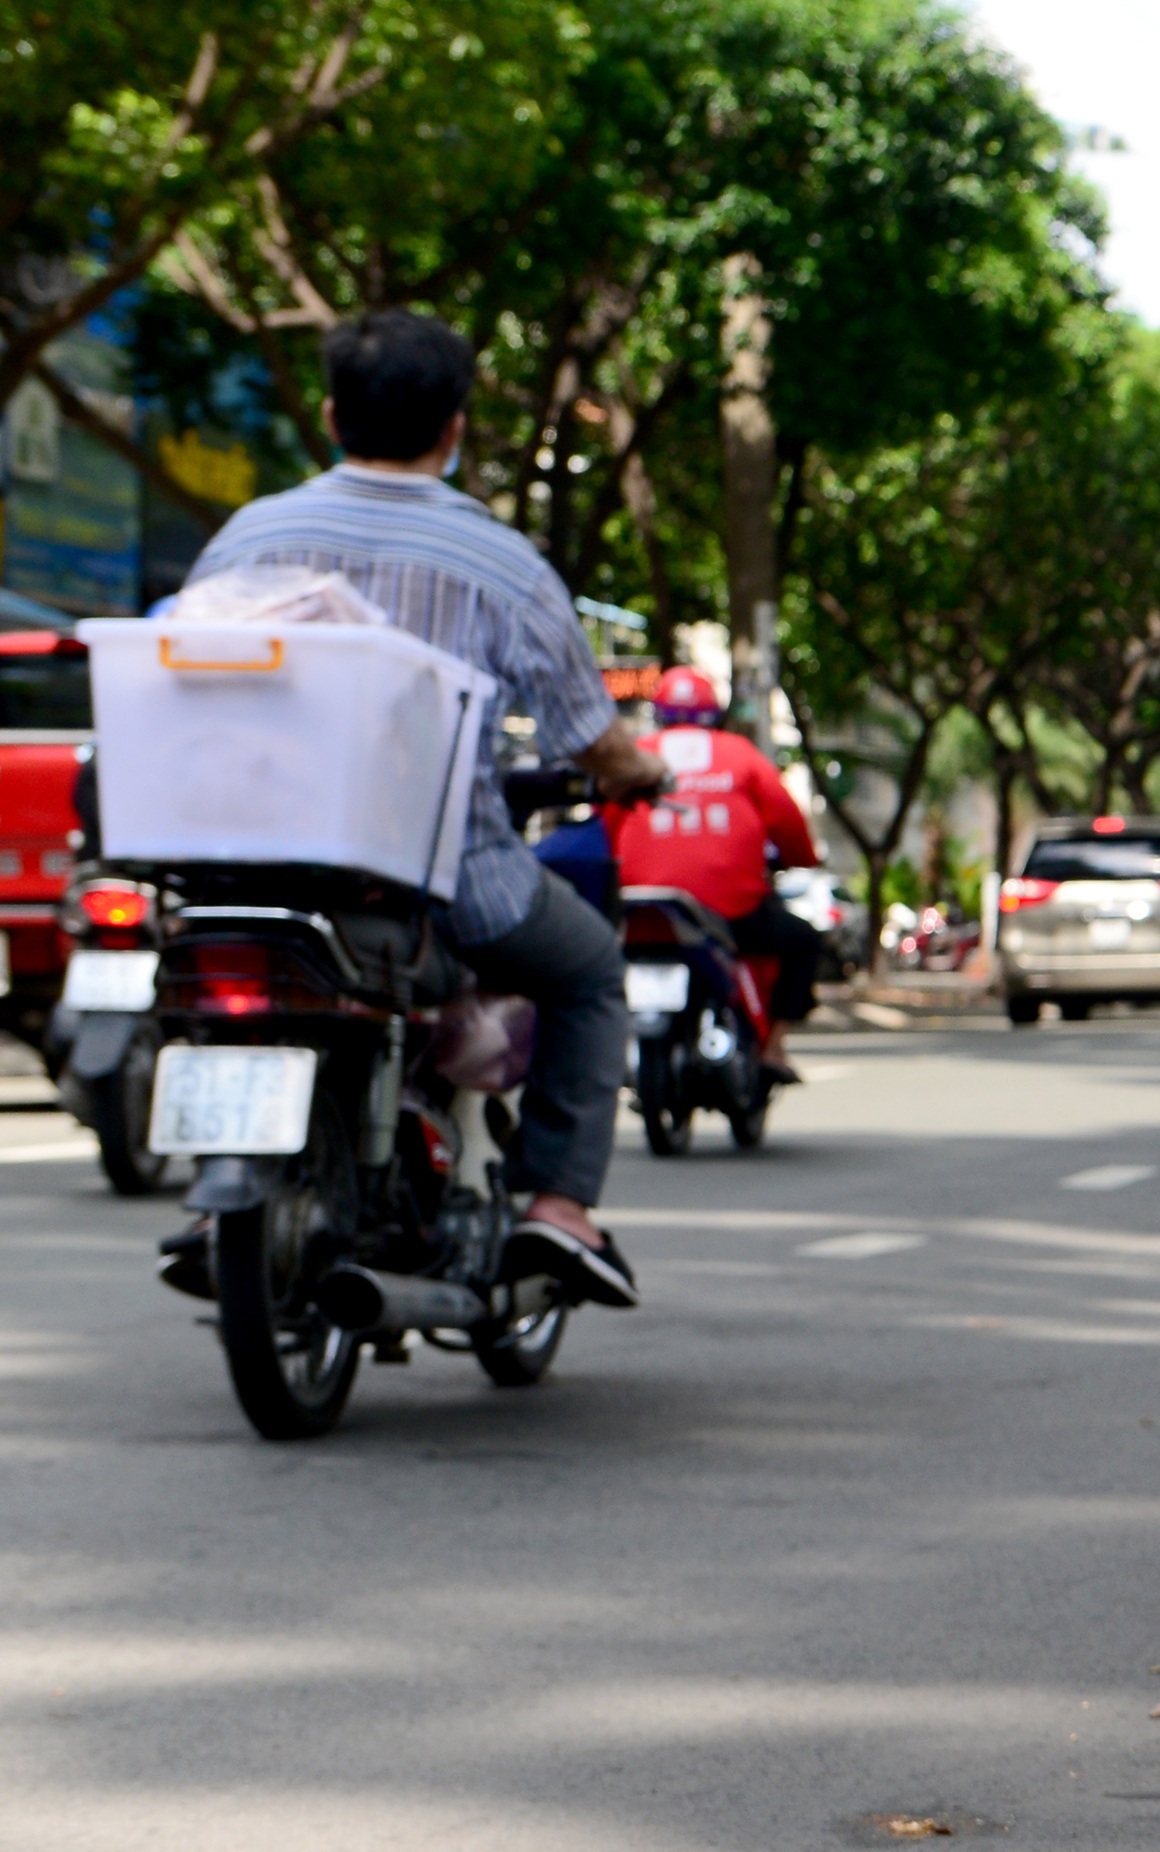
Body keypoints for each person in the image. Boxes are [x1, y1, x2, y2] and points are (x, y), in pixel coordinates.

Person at [178, 309, 664, 1306]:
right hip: (441, 883)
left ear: (329, 415)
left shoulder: (244, 538)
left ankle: (215, 1199)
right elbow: (587, 733)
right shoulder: (498, 562)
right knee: (590, 973)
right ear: (454, 425)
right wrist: (632, 771)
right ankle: (558, 1211)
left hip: (247, 868)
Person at [607, 664, 823, 1071]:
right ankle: (774, 1047)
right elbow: (788, 820)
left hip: (640, 907)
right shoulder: (740, 754)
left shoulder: (637, 754)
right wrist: (803, 859)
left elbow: (604, 827)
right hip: (730, 910)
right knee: (804, 942)